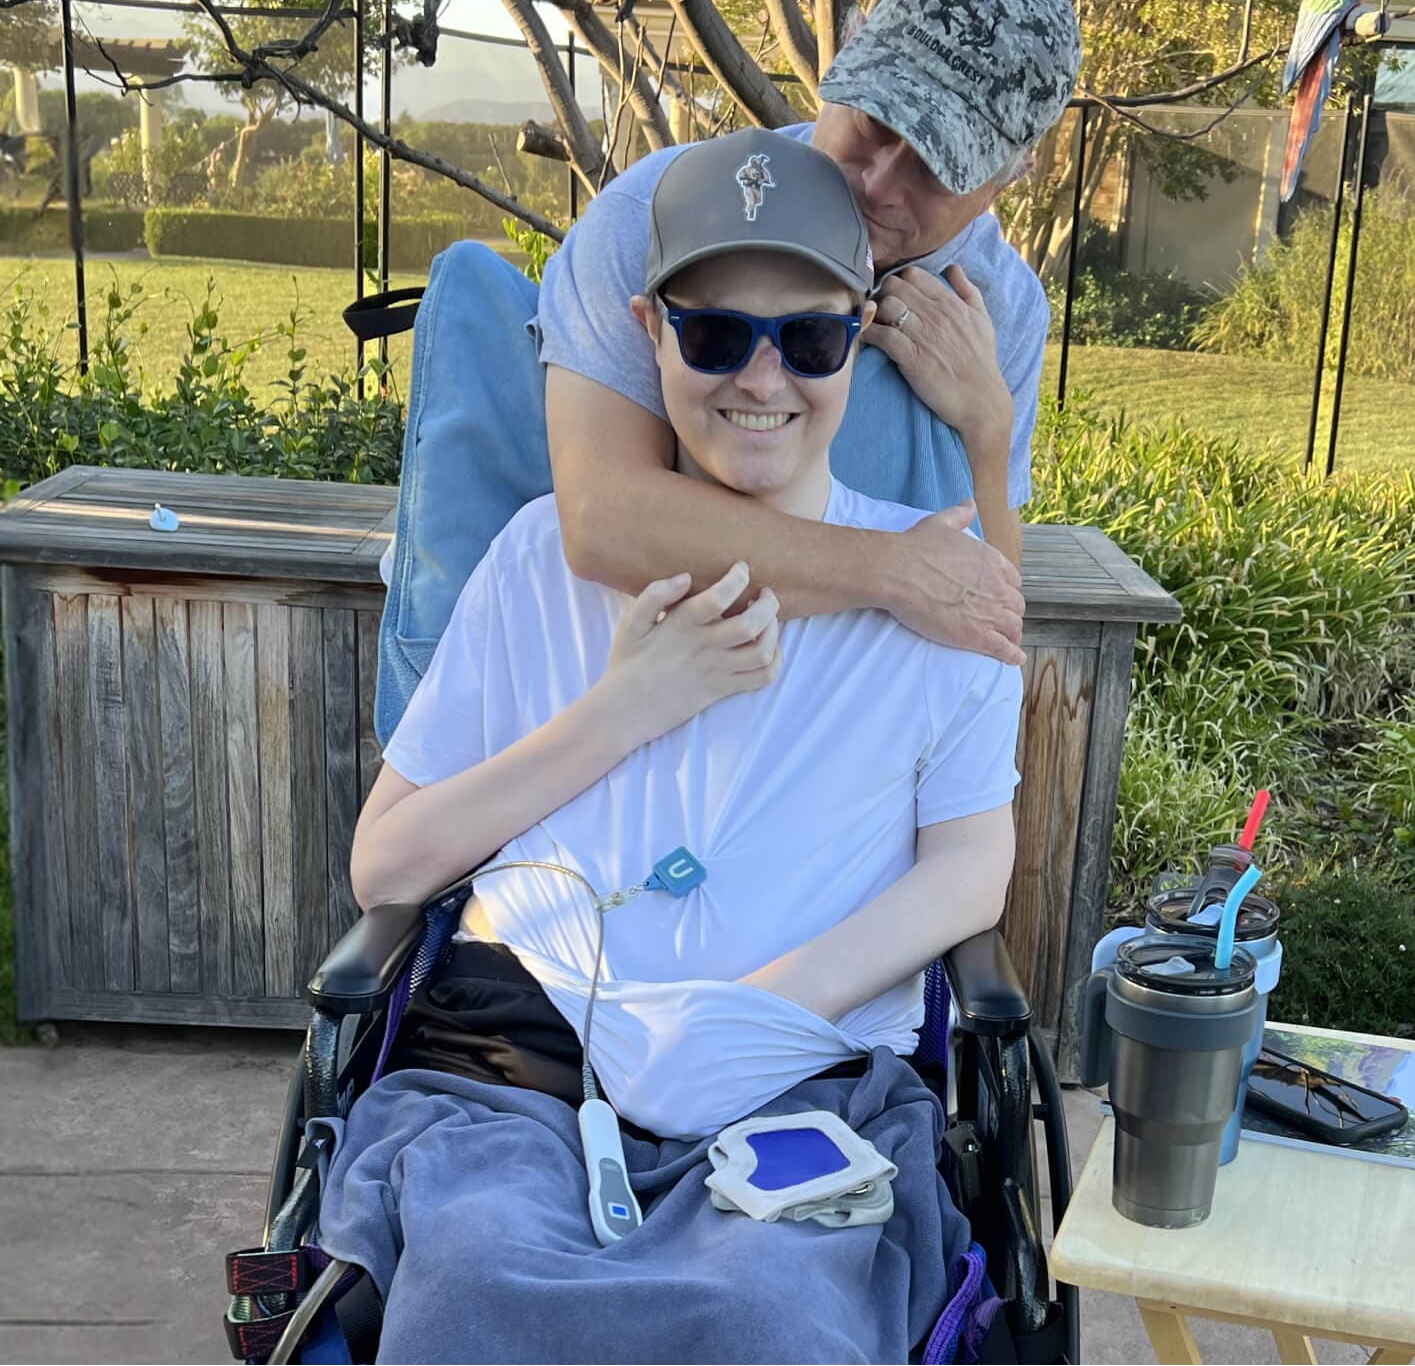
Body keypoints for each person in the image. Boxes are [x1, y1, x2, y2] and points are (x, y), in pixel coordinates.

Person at [322, 132, 1023, 1364]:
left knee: (765, 1327)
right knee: (474, 1308)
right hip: (516, 1070)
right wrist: (626, 708)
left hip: (795, 1084)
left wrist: (758, 1014)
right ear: (650, 329)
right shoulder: (540, 559)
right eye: (714, 335)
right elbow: (386, 869)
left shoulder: (930, 587)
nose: (762, 378)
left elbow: (972, 867)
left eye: (807, 337)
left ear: (856, 335)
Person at [539, 0, 1081, 670]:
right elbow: (604, 520)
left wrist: (988, 426)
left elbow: (989, 608)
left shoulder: (1005, 309)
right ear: (845, 62)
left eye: (936, 166)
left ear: (1006, 180)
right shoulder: (653, 217)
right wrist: (894, 571)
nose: (879, 184)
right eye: (873, 124)